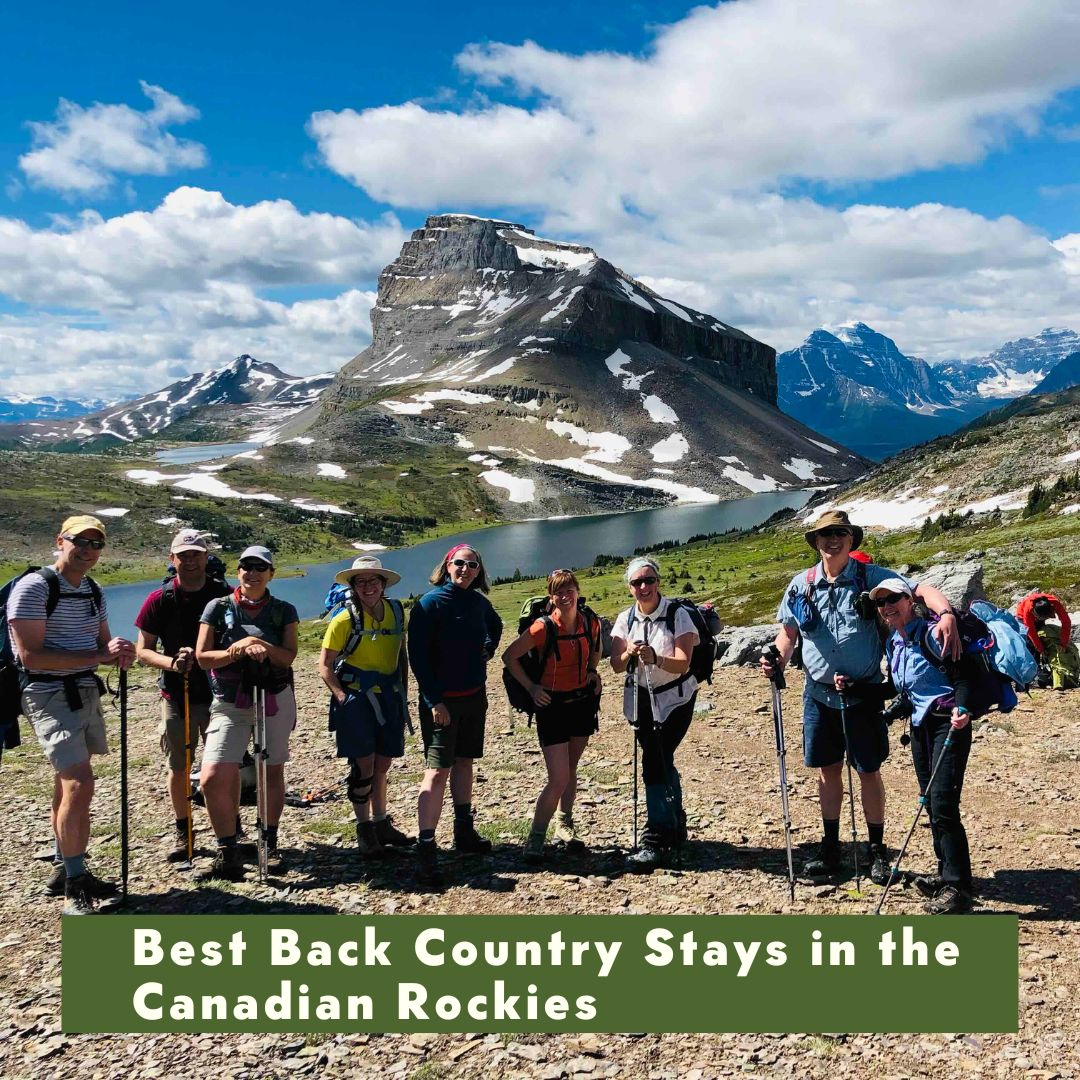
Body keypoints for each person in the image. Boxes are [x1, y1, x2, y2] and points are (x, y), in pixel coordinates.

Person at [760, 510, 960, 885]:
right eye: (824, 535)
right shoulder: (800, 585)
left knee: (868, 771)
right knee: (827, 769)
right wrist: (777, 659)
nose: (831, 540)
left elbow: (921, 591)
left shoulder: (873, 578)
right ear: (815, 542)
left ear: (851, 540)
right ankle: (832, 846)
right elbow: (788, 634)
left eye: (839, 534)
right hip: (818, 693)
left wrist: (945, 613)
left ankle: (877, 851)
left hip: (863, 694)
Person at [7, 515, 135, 914]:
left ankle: (66, 868)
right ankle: (75, 886)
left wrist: (116, 649)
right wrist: (99, 655)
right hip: (46, 691)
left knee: (68, 782)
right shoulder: (34, 587)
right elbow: (30, 655)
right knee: (80, 782)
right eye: (80, 541)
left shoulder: (92, 589)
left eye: (95, 544)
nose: (87, 550)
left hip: (82, 688)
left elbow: (102, 638)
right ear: (60, 541)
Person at [872, 578, 975, 913]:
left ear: (909, 601)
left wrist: (963, 707)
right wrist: (856, 688)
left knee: (944, 803)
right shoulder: (895, 643)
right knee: (931, 802)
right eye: (881, 603)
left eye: (893, 600)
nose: (887, 607)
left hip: (948, 723)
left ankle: (958, 889)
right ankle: (945, 875)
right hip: (920, 726)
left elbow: (963, 674)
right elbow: (901, 688)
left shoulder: (932, 634)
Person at [195, 545, 299, 880]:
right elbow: (202, 658)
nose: (251, 573)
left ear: (271, 573)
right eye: (245, 567)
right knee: (212, 777)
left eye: (259, 567)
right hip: (229, 702)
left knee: (271, 771)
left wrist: (263, 647)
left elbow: (287, 657)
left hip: (274, 698)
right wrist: (235, 650)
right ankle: (229, 849)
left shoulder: (284, 609)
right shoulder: (218, 607)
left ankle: (269, 841)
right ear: (237, 571)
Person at [407, 544, 502, 887]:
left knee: (464, 762)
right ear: (447, 566)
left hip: (473, 698)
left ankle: (464, 831)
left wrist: (488, 648)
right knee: (437, 771)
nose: (464, 569)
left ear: (479, 571)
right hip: (442, 704)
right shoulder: (429, 604)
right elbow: (417, 657)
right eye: (459, 563)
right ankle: (426, 848)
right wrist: (434, 701)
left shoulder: (479, 603)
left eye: (472, 564)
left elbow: (496, 625)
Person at [135, 530, 231, 862]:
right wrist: (173, 664)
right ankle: (183, 829)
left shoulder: (224, 595)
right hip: (178, 694)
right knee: (179, 766)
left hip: (222, 694)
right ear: (172, 558)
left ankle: (230, 830)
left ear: (206, 557)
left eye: (196, 555)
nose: (189, 561)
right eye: (183, 555)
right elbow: (143, 650)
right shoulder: (159, 599)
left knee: (224, 765)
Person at [503, 569, 602, 863]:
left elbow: (596, 649)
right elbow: (509, 657)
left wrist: (593, 672)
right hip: (553, 706)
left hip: (583, 702)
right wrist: (532, 688)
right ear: (551, 597)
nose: (564, 596)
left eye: (569, 589)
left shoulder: (589, 621)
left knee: (570, 769)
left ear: (577, 591)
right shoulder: (542, 628)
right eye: (558, 591)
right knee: (558, 777)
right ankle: (536, 836)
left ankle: (565, 824)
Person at [318, 555, 413, 858]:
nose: (368, 586)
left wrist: (404, 691)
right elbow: (325, 665)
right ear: (354, 586)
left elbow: (401, 654)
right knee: (364, 766)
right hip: (357, 698)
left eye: (374, 580)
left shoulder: (396, 612)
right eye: (361, 582)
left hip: (389, 695)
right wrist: (341, 697)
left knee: (383, 763)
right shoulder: (344, 619)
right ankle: (364, 829)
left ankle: (382, 823)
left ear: (383, 584)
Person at [610, 556, 699, 871]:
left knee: (654, 760)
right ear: (630, 587)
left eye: (649, 580)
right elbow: (616, 665)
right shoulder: (626, 619)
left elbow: (683, 663)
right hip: (642, 701)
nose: (644, 587)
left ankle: (656, 839)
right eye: (637, 583)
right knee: (661, 759)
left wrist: (655, 659)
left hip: (676, 701)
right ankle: (675, 821)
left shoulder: (678, 615)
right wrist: (628, 653)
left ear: (658, 581)